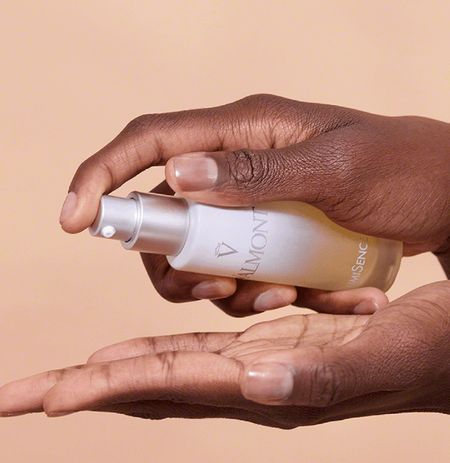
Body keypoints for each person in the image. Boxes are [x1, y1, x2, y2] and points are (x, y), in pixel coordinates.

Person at [1, 94, 449, 425]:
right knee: (243, 265)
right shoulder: (186, 253)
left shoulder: (202, 201)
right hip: (366, 264)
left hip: (373, 242)